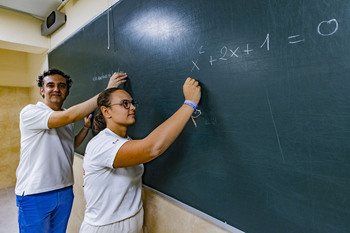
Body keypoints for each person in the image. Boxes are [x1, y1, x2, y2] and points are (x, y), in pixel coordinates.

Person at [80, 77, 201, 233]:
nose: (132, 107)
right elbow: (152, 148)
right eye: (125, 104)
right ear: (106, 111)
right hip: (106, 227)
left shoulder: (125, 141)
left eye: (132, 103)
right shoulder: (102, 144)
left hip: (132, 221)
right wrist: (189, 103)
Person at [15, 68, 127, 233]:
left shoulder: (68, 116)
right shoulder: (31, 112)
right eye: (50, 85)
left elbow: (68, 146)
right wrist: (107, 92)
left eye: (61, 86)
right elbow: (68, 117)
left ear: (67, 91)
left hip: (65, 189)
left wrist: (85, 129)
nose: (56, 89)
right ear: (42, 90)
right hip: (35, 193)